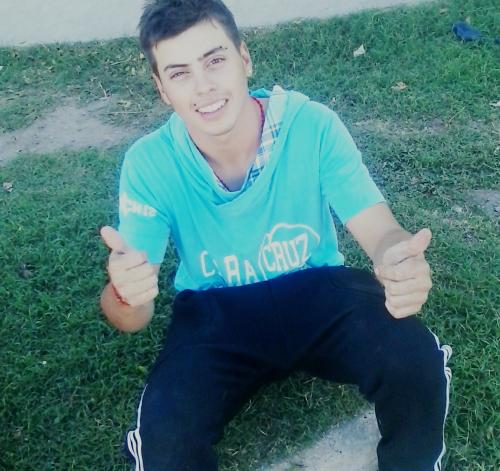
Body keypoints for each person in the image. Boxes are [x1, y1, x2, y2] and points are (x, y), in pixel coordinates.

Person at [99, 0, 452, 469]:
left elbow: (379, 229)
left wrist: (397, 258)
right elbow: (131, 314)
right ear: (161, 88)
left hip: (316, 291)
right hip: (216, 312)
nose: (204, 86)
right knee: (165, 438)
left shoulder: (311, 125)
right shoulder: (150, 163)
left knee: (416, 360)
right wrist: (125, 291)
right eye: (180, 73)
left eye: (215, 60)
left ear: (244, 58)